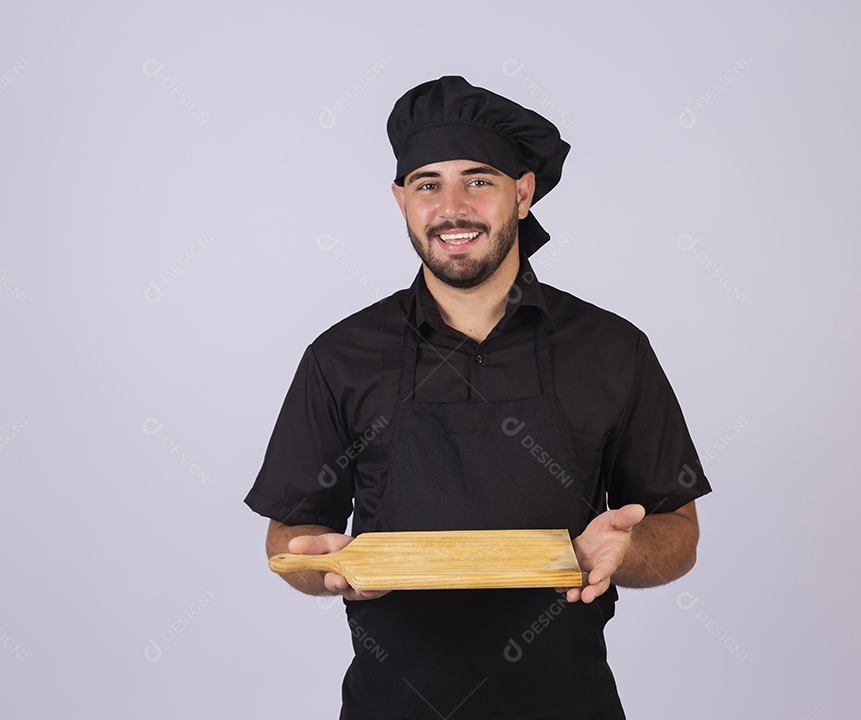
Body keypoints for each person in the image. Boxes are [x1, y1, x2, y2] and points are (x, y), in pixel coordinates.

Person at [245, 75, 712, 720]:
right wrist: (323, 569)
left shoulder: (612, 349)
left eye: (479, 180)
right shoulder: (340, 357)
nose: (452, 206)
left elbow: (677, 531)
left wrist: (625, 550)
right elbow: (290, 534)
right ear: (400, 200)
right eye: (427, 184)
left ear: (523, 193)